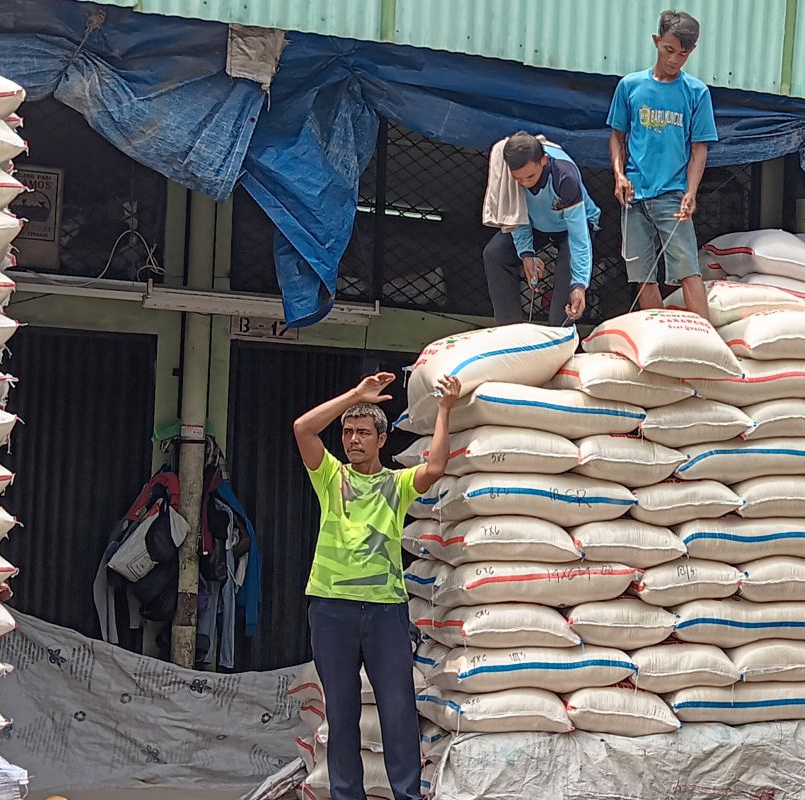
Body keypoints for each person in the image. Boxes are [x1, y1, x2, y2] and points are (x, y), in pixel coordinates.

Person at [293, 371, 461, 800]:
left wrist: (444, 409)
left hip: (386, 610)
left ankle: (407, 793)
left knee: (399, 710)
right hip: (331, 609)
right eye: (348, 432)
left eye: (364, 432)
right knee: (343, 713)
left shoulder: (397, 484)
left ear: (381, 440)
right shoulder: (330, 476)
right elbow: (303, 428)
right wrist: (354, 395)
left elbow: (438, 466)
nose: (353, 440)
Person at [607, 9, 718, 319]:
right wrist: (618, 175)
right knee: (641, 274)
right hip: (634, 195)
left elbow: (699, 149)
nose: (674, 60)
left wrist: (691, 191)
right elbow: (617, 137)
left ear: (691, 52)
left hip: (673, 194)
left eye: (683, 54)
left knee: (687, 270)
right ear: (657, 42)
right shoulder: (630, 87)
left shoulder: (696, 93)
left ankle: (706, 343)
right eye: (669, 50)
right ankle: (660, 339)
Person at [483, 131, 601, 325]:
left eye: (530, 176)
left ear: (544, 160)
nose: (525, 183)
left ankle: (558, 335)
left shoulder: (564, 176)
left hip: (570, 227)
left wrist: (579, 285)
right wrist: (526, 254)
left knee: (563, 309)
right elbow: (515, 213)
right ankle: (509, 330)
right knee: (495, 254)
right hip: (535, 224)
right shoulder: (508, 175)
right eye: (519, 179)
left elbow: (579, 237)